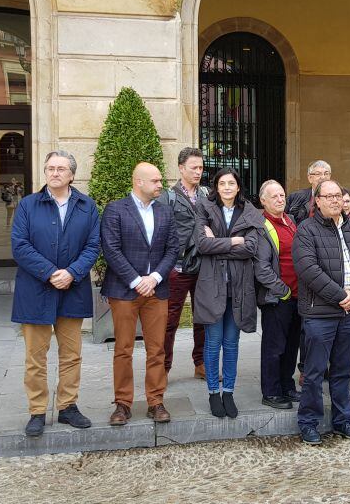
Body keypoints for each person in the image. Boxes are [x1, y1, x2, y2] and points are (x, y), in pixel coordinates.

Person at [11, 150, 101, 437]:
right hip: (35, 289)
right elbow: (20, 245)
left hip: (72, 290)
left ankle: (67, 406)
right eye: (50, 168)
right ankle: (37, 410)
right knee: (35, 357)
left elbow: (93, 246)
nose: (55, 173)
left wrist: (72, 273)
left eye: (61, 168)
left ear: (72, 174)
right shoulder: (28, 205)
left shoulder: (87, 206)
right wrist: (50, 272)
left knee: (71, 355)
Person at [293, 179, 350, 445]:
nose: (335, 200)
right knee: (314, 372)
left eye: (338, 195)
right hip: (320, 313)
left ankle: (342, 420)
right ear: (317, 200)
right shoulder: (306, 230)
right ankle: (308, 422)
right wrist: (342, 296)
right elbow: (308, 270)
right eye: (328, 196)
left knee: (342, 371)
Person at [100, 163, 179, 426]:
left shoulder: (165, 211)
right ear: (139, 182)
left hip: (157, 290)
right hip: (124, 290)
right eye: (155, 181)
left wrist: (154, 277)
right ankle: (122, 403)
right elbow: (111, 250)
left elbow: (172, 249)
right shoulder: (115, 210)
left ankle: (156, 401)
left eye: (160, 181)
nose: (160, 185)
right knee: (123, 349)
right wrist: (136, 281)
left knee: (157, 349)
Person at [193, 168, 262, 419]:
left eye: (231, 183)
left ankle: (229, 392)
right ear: (216, 187)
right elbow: (202, 244)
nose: (227, 187)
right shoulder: (204, 207)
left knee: (231, 344)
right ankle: (213, 392)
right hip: (212, 285)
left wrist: (218, 243)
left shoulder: (250, 211)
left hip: (239, 286)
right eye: (222, 183)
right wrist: (235, 241)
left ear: (238, 186)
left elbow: (252, 247)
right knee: (212, 344)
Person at [156, 148, 209, 380]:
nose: (198, 172)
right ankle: (163, 368)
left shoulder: (207, 194)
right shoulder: (168, 196)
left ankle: (201, 363)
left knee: (204, 318)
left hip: (204, 266)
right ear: (180, 168)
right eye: (193, 168)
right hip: (177, 268)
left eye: (200, 168)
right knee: (169, 321)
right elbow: (160, 232)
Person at [255, 180, 301, 409]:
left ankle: (287, 385)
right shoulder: (261, 225)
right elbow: (261, 268)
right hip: (278, 297)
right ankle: (271, 392)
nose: (280, 199)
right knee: (274, 347)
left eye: (282, 195)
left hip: (297, 296)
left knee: (292, 345)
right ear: (263, 200)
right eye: (274, 196)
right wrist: (283, 290)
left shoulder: (289, 220)